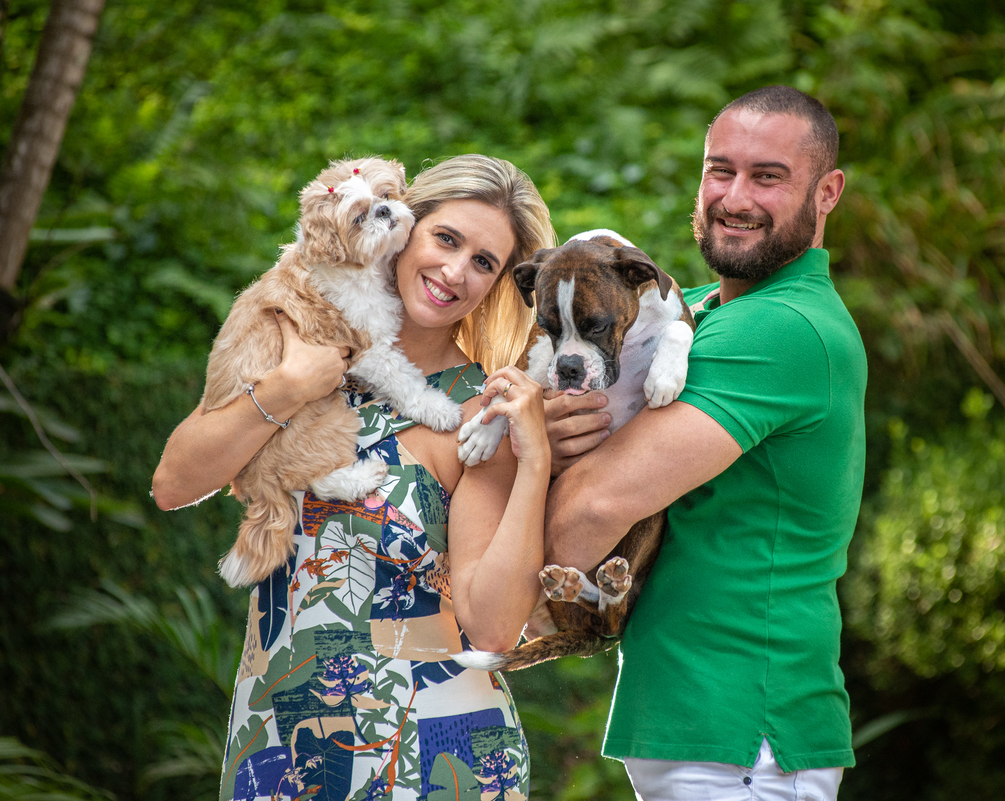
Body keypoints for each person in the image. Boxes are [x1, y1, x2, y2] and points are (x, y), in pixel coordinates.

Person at [152, 154, 556, 801]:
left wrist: (534, 461)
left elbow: (492, 628)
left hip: (429, 757)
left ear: (498, 283)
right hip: (278, 741)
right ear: (405, 226)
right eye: (446, 238)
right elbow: (173, 483)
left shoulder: (477, 412)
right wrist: (286, 388)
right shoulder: (294, 336)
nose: (456, 271)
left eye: (484, 262)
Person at [543, 86, 867, 801]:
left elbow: (584, 518)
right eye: (721, 170)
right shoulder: (691, 313)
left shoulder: (779, 327)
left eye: (768, 176)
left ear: (827, 192)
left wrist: (537, 468)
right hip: (701, 732)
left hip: (743, 733)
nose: (735, 196)